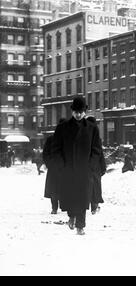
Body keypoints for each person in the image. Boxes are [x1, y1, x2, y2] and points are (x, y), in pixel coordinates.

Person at [50, 96, 102, 235]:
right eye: (76, 112)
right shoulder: (62, 127)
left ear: (85, 111)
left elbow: (97, 149)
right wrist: (61, 165)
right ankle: (71, 216)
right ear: (72, 111)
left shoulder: (92, 128)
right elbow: (55, 149)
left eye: (81, 112)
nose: (78, 114)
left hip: (85, 170)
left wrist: (91, 165)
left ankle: (80, 225)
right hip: (68, 169)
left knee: (83, 198)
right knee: (70, 196)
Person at [43, 118, 66, 214]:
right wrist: (50, 164)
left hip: (65, 168)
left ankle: (64, 206)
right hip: (54, 168)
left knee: (65, 188)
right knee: (53, 189)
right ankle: (54, 207)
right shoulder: (51, 139)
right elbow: (45, 153)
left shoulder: (69, 139)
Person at [86, 116, 106, 214]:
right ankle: (94, 206)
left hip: (85, 165)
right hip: (96, 165)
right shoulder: (96, 135)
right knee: (95, 187)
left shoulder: (83, 133)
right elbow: (100, 153)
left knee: (86, 186)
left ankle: (85, 205)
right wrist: (103, 167)